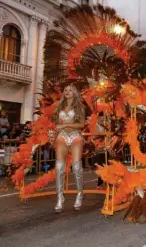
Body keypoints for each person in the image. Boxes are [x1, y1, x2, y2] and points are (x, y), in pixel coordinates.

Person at [54, 84, 85, 213]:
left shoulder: (79, 107)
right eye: (65, 90)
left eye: (70, 90)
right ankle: (60, 198)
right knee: (59, 166)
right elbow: (57, 124)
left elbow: (82, 124)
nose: (67, 92)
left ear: (75, 93)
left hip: (75, 136)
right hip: (62, 137)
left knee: (76, 166)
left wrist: (66, 124)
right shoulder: (60, 107)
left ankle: (79, 194)